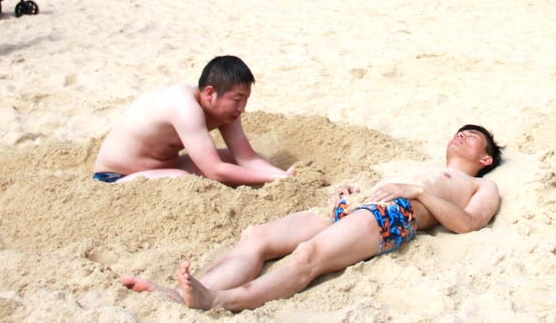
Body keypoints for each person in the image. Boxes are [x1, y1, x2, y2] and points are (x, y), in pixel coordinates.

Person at [121, 125, 502, 312]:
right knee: (256, 236)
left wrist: (418, 192)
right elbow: (375, 185)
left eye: (472, 136)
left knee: (308, 256)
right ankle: (182, 295)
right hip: (356, 207)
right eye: (460, 131)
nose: (462, 134)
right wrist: (348, 191)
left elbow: (468, 223)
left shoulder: (480, 185)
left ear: (485, 159)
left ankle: (218, 299)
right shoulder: (413, 164)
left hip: (393, 215)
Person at [93, 55, 294, 185]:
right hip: (114, 177)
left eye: (246, 99)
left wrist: (285, 176)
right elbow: (214, 170)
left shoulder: (227, 111)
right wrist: (275, 178)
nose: (242, 108)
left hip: (164, 167)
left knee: (234, 160)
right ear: (210, 93)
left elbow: (246, 158)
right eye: (237, 99)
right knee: (181, 181)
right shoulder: (184, 106)